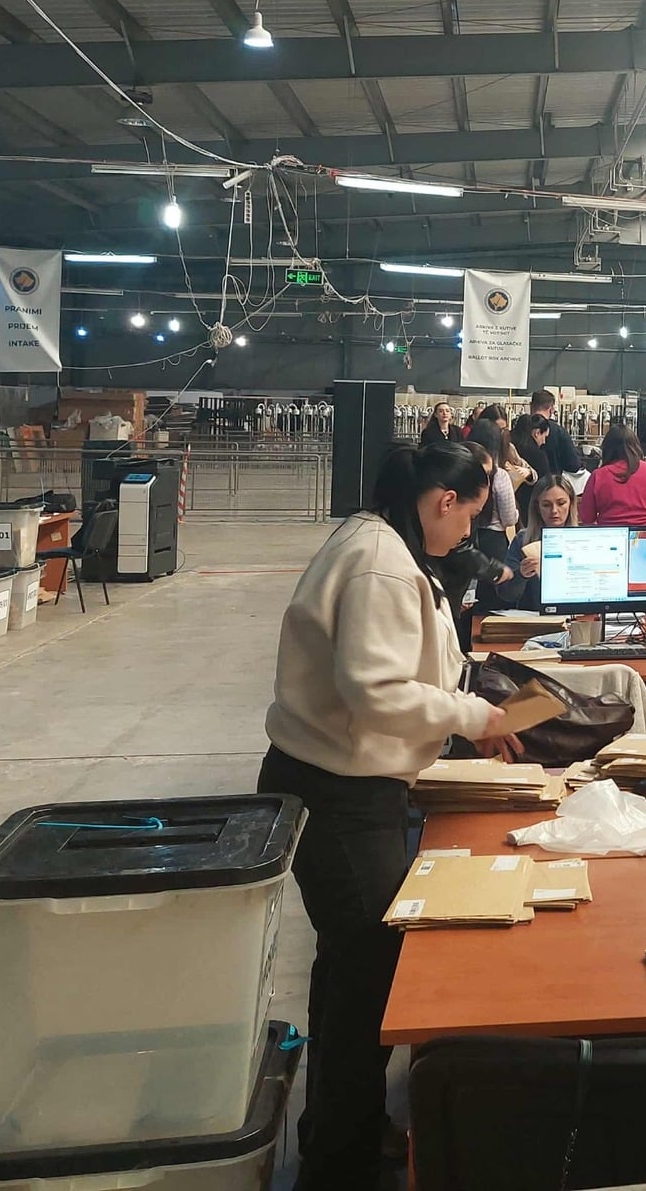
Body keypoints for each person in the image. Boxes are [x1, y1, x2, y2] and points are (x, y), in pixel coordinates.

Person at [259, 442, 523, 1191]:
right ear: (444, 501)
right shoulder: (380, 564)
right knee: (370, 976)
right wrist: (471, 716)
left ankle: (343, 1130)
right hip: (339, 793)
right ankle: (338, 1165)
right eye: (468, 519)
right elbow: (376, 689)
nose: (467, 536)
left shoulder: (387, 543)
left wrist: (467, 701)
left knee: (352, 973)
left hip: (353, 782)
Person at [496, 474, 577, 610]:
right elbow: (506, 594)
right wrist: (521, 575)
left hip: (575, 615)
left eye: (561, 503)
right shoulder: (523, 540)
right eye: (546, 505)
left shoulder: (584, 540)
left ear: (571, 503)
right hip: (534, 617)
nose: (554, 511)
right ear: (537, 507)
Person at [579, 425, 646, 527]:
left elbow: (587, 517)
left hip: (611, 534)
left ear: (607, 449)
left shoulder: (598, 476)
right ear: (636, 446)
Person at [466, 428, 520, 553]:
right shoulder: (499, 475)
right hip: (493, 541)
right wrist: (516, 513)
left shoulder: (460, 472)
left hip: (462, 540)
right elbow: (509, 518)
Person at [530, 389, 586, 478]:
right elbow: (573, 465)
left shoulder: (520, 427)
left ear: (531, 406)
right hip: (551, 483)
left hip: (522, 484)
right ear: (551, 409)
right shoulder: (559, 432)